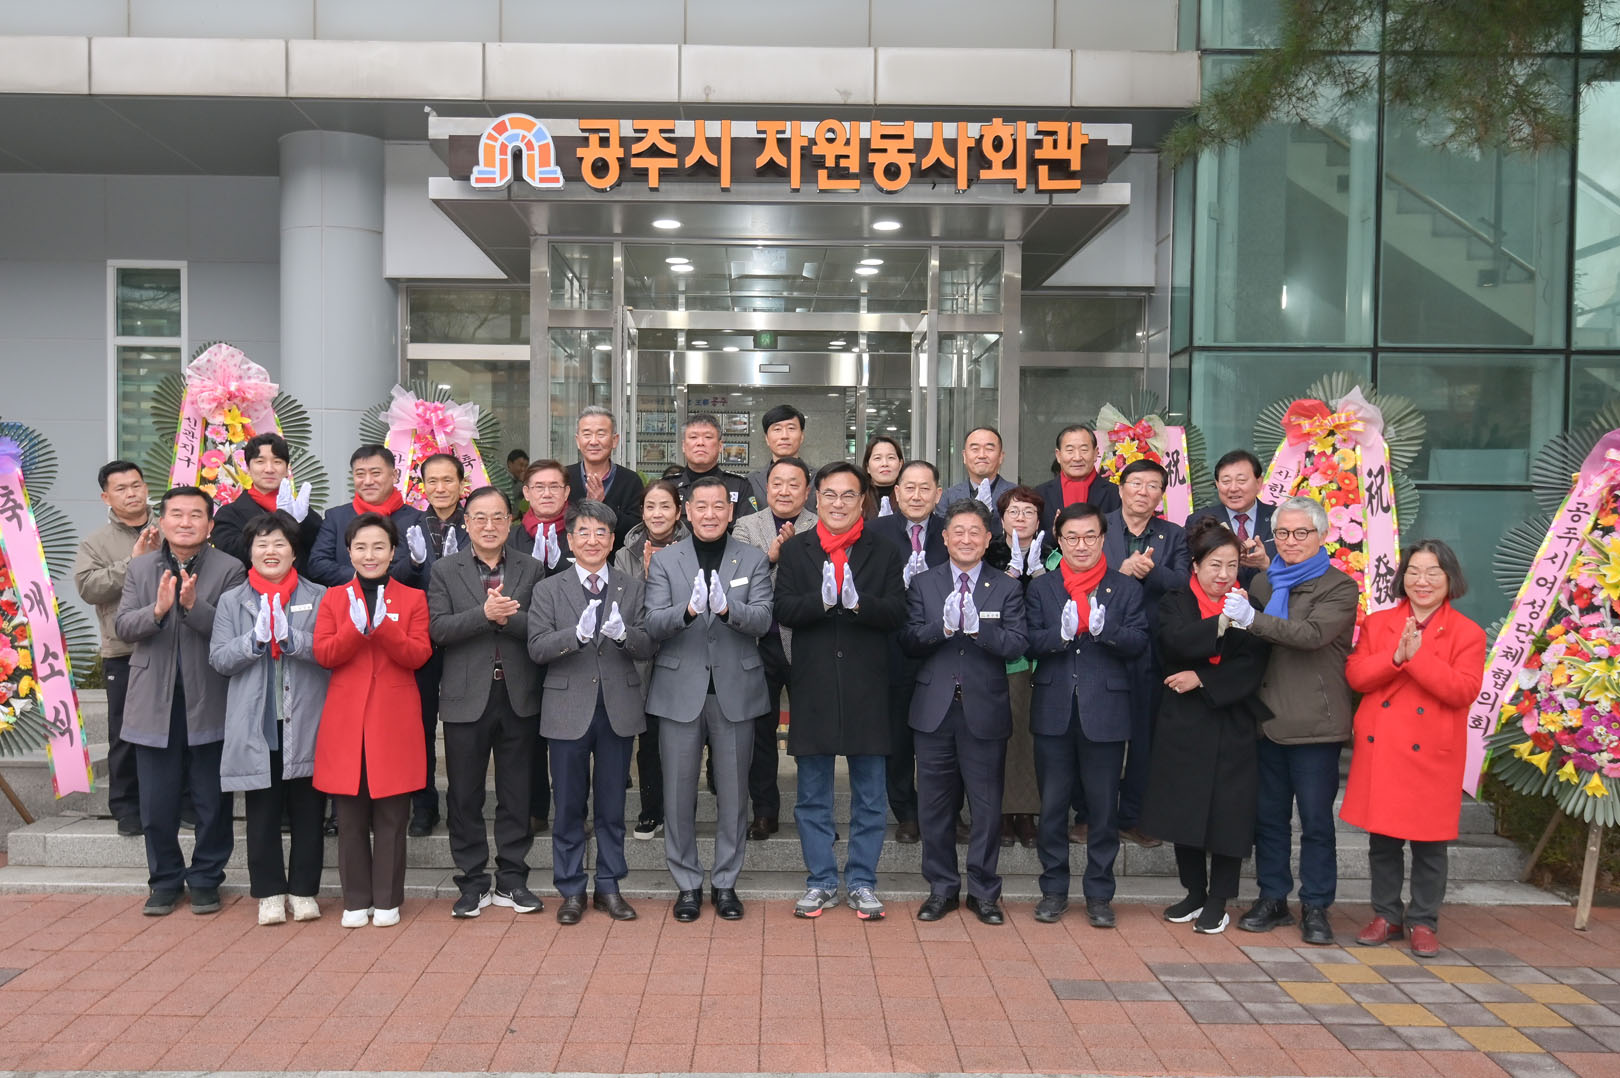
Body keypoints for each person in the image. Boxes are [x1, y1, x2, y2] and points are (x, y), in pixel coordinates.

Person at [1221, 495, 1358, 946]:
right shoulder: (1263, 582)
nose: (1291, 541)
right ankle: (1273, 897)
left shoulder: (1339, 586)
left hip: (1314, 723)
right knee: (1269, 819)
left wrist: (1253, 620)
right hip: (1265, 721)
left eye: (1301, 533)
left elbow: (1311, 635)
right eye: (1282, 533)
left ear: (1322, 536)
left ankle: (1316, 905)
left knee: (1316, 822)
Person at [773, 462, 907, 920]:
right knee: (813, 795)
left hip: (868, 687)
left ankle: (863, 881)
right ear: (816, 498)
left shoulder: (884, 550)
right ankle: (821, 881)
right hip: (813, 686)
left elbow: (897, 612)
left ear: (863, 499)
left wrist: (857, 604)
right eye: (829, 494)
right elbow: (784, 608)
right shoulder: (797, 550)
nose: (838, 503)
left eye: (848, 495)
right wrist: (823, 601)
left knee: (870, 796)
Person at [1342, 540, 1486, 958]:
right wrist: (1395, 658)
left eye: (1433, 572)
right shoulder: (1378, 623)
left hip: (1432, 750)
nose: (1422, 581)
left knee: (1430, 843)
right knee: (1383, 840)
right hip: (1384, 744)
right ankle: (1386, 915)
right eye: (1414, 572)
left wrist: (1417, 658)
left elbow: (1463, 690)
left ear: (1449, 579)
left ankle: (1424, 920)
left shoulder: (1468, 632)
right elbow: (1356, 676)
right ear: (1402, 577)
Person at [643, 476, 773, 922]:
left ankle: (725, 882)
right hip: (679, 691)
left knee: (734, 796)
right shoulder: (666, 560)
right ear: (687, 511)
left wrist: (727, 609)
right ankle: (686, 884)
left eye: (719, 506)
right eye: (702, 506)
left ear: (730, 511)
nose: (711, 514)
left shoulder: (752, 558)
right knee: (678, 795)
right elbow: (653, 623)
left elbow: (763, 619)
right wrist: (688, 612)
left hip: (735, 690)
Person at [114, 486, 247, 915]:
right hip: (153, 702)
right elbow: (122, 626)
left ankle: (206, 878)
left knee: (212, 801)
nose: (185, 522)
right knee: (157, 803)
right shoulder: (141, 566)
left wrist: (192, 607)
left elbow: (234, 630)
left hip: (209, 698)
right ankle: (164, 881)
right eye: (176, 514)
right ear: (163, 521)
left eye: (195, 515)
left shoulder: (230, 569)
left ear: (210, 525)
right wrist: (156, 611)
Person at [1139, 518, 1272, 936]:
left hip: (1232, 718)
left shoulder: (1249, 605)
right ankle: (1194, 892)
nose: (1223, 574)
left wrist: (1203, 677)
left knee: (1229, 815)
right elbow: (1173, 642)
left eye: (1231, 565)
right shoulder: (1175, 600)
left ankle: (1218, 900)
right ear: (1195, 565)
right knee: (1185, 809)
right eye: (1215, 564)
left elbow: (1253, 665)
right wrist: (1220, 624)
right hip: (1183, 721)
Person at [528, 499, 656, 924]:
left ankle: (609, 886)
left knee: (611, 805)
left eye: (601, 532)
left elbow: (647, 644)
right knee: (568, 806)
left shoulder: (632, 586)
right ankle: (570, 890)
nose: (592, 540)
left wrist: (623, 636)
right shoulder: (549, 589)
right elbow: (537, 647)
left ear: (612, 539)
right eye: (583, 532)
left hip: (617, 709)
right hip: (567, 710)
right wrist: (575, 636)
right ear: (570, 540)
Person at [901, 499, 1029, 925]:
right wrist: (942, 628)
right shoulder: (924, 583)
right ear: (944, 537)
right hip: (934, 711)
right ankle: (941, 888)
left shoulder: (1006, 587)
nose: (967, 539)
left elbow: (1017, 644)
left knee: (986, 807)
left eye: (975, 532)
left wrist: (979, 629)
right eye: (958, 531)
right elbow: (909, 640)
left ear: (988, 538)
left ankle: (984, 892)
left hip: (985, 711)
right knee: (934, 807)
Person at [1023, 503, 1148, 928]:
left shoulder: (1124, 588)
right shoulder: (1042, 588)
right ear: (1059, 541)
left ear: (1102, 538)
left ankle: (1099, 894)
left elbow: (1138, 642)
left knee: (1103, 809)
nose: (1081, 545)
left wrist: (1104, 631)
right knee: (1053, 807)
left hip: (1106, 712)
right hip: (1053, 709)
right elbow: (1028, 641)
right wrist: (1059, 635)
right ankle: (1054, 890)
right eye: (1071, 537)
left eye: (1089, 536)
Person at [427, 486, 547, 918]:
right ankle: (472, 881)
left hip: (518, 694)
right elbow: (438, 629)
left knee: (516, 792)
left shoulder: (532, 567)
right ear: (466, 523)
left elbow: (542, 627)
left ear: (510, 521)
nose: (489, 525)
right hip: (466, 696)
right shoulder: (445, 570)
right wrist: (483, 615)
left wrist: (507, 618)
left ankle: (512, 879)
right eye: (480, 517)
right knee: (464, 794)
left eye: (498, 517)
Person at [208, 512, 330, 925]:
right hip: (257, 722)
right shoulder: (232, 601)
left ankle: (304, 890)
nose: (270, 551)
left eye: (279, 543)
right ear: (250, 552)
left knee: (309, 811)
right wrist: (254, 640)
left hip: (307, 718)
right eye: (262, 544)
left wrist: (292, 639)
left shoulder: (319, 595)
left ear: (294, 552)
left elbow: (331, 651)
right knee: (261, 813)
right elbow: (219, 659)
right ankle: (270, 893)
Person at [312, 513, 433, 927]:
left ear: (393, 552)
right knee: (349, 819)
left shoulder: (412, 598)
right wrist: (355, 629)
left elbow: (419, 655)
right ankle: (355, 900)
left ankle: (386, 899)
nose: (370, 555)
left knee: (392, 817)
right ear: (348, 552)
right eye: (361, 547)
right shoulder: (333, 598)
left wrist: (383, 629)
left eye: (379, 546)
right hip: (346, 720)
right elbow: (324, 654)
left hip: (394, 720)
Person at [1101, 458, 1190, 847]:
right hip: (1101, 646)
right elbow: (1078, 574)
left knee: (1144, 737)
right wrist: (1119, 572)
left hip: (1152, 650)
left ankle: (1134, 816)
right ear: (1121, 489)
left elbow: (1185, 583)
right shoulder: (1098, 526)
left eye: (1153, 486)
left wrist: (1150, 570)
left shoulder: (1174, 535)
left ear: (1161, 495)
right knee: (1097, 734)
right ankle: (1091, 815)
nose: (1143, 491)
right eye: (1136, 483)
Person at [74, 460, 162, 837]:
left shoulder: (171, 526)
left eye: (136, 485)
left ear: (146, 488)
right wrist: (133, 563)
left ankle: (182, 802)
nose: (131, 493)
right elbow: (88, 588)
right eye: (121, 488)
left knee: (179, 727)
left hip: (173, 645)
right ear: (106, 497)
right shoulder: (95, 542)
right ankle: (126, 807)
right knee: (124, 732)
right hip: (123, 649)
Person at [732, 456, 817, 841]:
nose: (784, 491)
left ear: (807, 490)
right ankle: (764, 811)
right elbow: (738, 583)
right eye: (777, 483)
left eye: (793, 484)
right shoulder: (746, 526)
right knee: (760, 733)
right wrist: (771, 557)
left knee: (812, 735)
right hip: (758, 643)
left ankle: (814, 813)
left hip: (808, 642)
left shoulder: (820, 525)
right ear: (766, 488)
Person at [869, 459, 949, 842]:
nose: (917, 496)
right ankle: (906, 812)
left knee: (942, 737)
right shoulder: (875, 531)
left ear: (938, 494)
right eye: (909, 488)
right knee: (898, 738)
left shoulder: (952, 531)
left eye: (925, 488)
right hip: (891, 649)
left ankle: (945, 812)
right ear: (897, 493)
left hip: (942, 649)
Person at [613, 479, 690, 841]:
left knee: (685, 738)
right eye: (650, 507)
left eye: (665, 506)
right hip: (641, 656)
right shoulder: (625, 553)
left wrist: (664, 579)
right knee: (648, 737)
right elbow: (626, 608)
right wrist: (647, 577)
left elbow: (693, 603)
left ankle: (682, 813)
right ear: (641, 512)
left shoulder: (695, 546)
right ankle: (651, 810)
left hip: (684, 650)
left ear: (679, 511)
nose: (657, 514)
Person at [510, 459, 576, 833]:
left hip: (571, 648)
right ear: (526, 493)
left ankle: (571, 813)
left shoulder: (581, 530)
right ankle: (535, 809)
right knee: (529, 735)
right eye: (539, 487)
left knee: (571, 740)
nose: (546, 493)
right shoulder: (513, 537)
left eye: (554, 486)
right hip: (523, 647)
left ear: (566, 492)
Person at [409, 452, 472, 837]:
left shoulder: (476, 522)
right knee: (420, 728)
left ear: (462, 484)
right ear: (422, 486)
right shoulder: (407, 525)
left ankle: (462, 808)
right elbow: (395, 576)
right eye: (432, 481)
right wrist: (417, 564)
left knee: (464, 730)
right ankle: (424, 805)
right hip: (420, 640)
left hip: (465, 637)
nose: (441, 487)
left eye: (448, 480)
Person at [985, 486, 1049, 849]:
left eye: (1029, 512)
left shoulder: (1053, 555)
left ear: (1039, 521)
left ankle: (1026, 813)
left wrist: (1038, 573)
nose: (1021, 518)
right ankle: (1003, 813)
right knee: (1003, 738)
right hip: (1001, 659)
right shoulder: (988, 553)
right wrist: (1010, 573)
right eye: (1013, 511)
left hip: (1041, 659)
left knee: (1030, 739)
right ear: (1001, 519)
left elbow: (1060, 602)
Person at [308, 445, 426, 588]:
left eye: (376, 473)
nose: (368, 481)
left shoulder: (416, 519)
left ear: (395, 475)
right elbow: (317, 564)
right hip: (347, 598)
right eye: (360, 474)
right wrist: (359, 577)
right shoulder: (336, 517)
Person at [209, 433, 322, 573]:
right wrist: (282, 518)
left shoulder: (302, 512)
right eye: (260, 461)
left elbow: (320, 553)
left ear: (287, 469)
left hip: (301, 585)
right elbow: (233, 555)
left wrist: (301, 520)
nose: (269, 469)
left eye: (277, 462)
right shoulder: (228, 515)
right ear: (248, 468)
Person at [1186, 449, 1275, 586]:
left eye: (1241, 480)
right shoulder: (1199, 520)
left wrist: (1266, 565)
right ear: (1217, 484)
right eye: (1226, 481)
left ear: (1259, 482)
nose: (1233, 488)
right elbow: (1190, 571)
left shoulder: (1280, 518)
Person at [565, 406, 645, 554]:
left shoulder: (631, 481)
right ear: (577, 440)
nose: (593, 441)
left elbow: (636, 531)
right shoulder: (564, 478)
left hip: (617, 563)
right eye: (587, 434)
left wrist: (604, 505)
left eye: (601, 434)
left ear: (614, 440)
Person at [1032, 425, 1122, 535]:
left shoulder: (1115, 494)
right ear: (1058, 455)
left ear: (1096, 453)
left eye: (1084, 450)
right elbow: (1030, 540)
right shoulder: (1039, 495)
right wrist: (1054, 533)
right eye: (1070, 450)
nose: (1077, 457)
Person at [673, 413, 759, 518]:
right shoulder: (669, 486)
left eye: (708, 437)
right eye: (693, 437)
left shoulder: (739, 485)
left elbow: (749, 525)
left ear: (720, 446)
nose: (700, 443)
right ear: (683, 445)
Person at [940, 427, 1015, 537]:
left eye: (989, 449)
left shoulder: (1016, 495)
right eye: (975, 449)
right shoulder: (948, 497)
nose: (982, 455)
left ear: (1000, 457)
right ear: (964, 456)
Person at [747, 404, 816, 513]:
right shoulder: (750, 481)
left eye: (791, 428)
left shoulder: (819, 479)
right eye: (777, 429)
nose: (784, 436)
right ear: (767, 438)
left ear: (802, 436)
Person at [862, 435, 903, 518]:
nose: (885, 463)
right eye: (877, 458)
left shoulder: (911, 496)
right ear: (867, 467)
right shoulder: (858, 497)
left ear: (900, 464)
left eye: (891, 457)